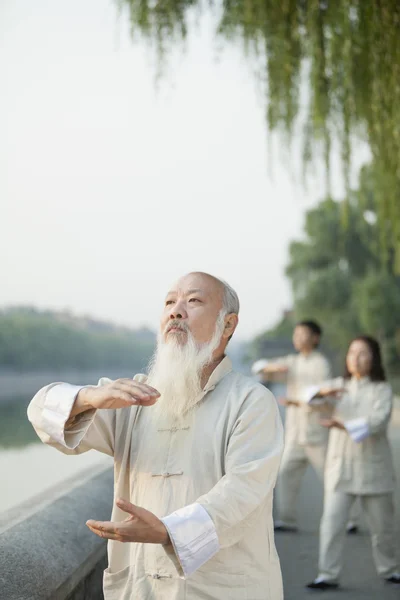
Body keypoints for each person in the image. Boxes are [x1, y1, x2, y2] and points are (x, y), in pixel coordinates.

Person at [28, 272, 284, 600]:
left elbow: (244, 492)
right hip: (140, 588)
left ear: (229, 324)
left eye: (193, 301)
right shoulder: (132, 396)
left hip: (222, 589)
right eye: (169, 302)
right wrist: (90, 398)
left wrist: (168, 531)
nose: (176, 311)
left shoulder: (251, 401)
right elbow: (40, 413)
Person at [306, 335, 400, 590]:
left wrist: (343, 425)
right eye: (352, 353)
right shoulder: (337, 386)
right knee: (331, 523)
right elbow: (310, 399)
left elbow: (378, 422)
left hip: (373, 467)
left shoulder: (381, 389)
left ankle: (389, 568)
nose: (355, 359)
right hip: (341, 466)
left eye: (362, 353)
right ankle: (327, 573)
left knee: (383, 527)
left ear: (374, 359)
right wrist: (323, 393)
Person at [252, 320, 333, 531]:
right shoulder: (292, 362)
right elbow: (259, 368)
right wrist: (273, 368)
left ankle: (346, 519)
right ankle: (287, 519)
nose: (297, 338)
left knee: (329, 477)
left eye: (302, 334)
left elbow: (319, 396)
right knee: (286, 473)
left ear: (315, 338)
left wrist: (297, 402)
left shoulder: (321, 364)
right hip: (295, 434)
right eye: (295, 334)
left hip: (316, 432)